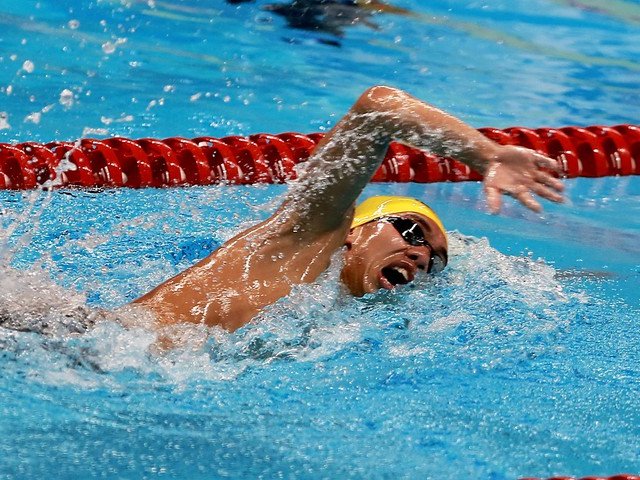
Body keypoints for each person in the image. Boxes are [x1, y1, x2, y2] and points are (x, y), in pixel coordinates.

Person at [133, 85, 565, 334]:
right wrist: (487, 156)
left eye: (434, 261)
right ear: (354, 231)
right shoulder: (305, 239)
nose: (421, 255)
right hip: (102, 345)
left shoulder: (327, 318)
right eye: (411, 231)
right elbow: (377, 109)